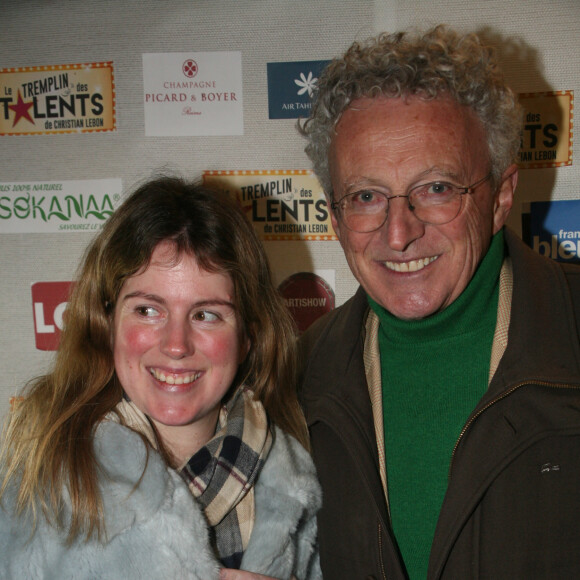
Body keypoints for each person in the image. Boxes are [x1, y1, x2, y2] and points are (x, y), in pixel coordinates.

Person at [297, 25, 580, 579]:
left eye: (436, 188)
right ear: (334, 217)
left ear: (500, 196)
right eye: (366, 197)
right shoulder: (297, 373)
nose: (398, 233)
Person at [0, 177, 322, 579]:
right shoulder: (44, 482)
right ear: (107, 322)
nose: (176, 344)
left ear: (246, 339)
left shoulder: (299, 484)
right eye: (148, 310)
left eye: (206, 314)